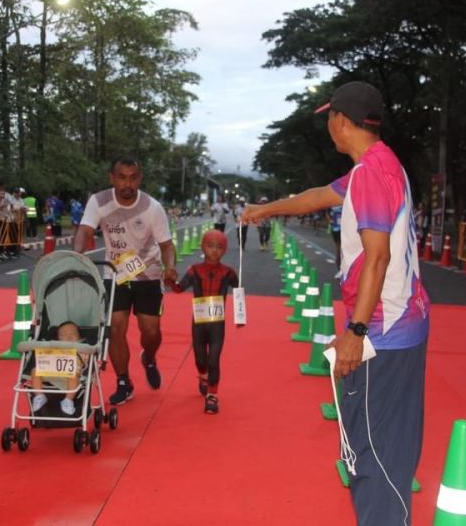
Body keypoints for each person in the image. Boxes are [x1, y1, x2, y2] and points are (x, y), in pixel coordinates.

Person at [241, 81, 429, 525]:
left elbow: (378, 256)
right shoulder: (380, 165)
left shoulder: (371, 174)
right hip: (403, 325)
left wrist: (355, 332)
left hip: (383, 332)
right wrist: (264, 210)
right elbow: (319, 196)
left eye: (330, 117)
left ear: (341, 122)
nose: (329, 125)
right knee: (388, 447)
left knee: (373, 451)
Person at [74, 155, 177, 405]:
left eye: (133, 178)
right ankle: (124, 381)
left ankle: (149, 357)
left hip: (148, 275)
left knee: (150, 331)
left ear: (140, 179)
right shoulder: (99, 201)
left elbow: (166, 245)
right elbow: (85, 231)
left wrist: (170, 267)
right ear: (112, 178)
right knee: (115, 328)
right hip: (114, 273)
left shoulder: (152, 207)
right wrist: (75, 258)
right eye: (121, 178)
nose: (127, 184)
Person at [166, 230, 238, 414]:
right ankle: (203, 376)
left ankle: (212, 395)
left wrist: (240, 314)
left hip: (217, 323)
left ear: (225, 250)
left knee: (214, 359)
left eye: (219, 247)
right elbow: (179, 288)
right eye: (210, 246)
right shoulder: (194, 270)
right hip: (199, 322)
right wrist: (170, 280)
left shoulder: (228, 272)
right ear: (203, 247)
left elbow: (239, 293)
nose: (214, 251)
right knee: (201, 359)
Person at [31, 321, 84, 416]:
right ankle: (39, 396)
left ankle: (68, 400)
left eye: (73, 333)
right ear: (58, 339)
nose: (69, 336)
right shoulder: (54, 346)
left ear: (79, 337)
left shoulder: (82, 347)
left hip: (71, 374)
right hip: (51, 371)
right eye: (64, 334)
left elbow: (87, 358)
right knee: (35, 371)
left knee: (72, 373)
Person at [327, 205, 343, 276]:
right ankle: (339, 270)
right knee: (339, 249)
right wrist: (330, 220)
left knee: (344, 250)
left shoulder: (346, 200)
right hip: (336, 229)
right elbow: (326, 213)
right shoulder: (331, 203)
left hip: (345, 229)